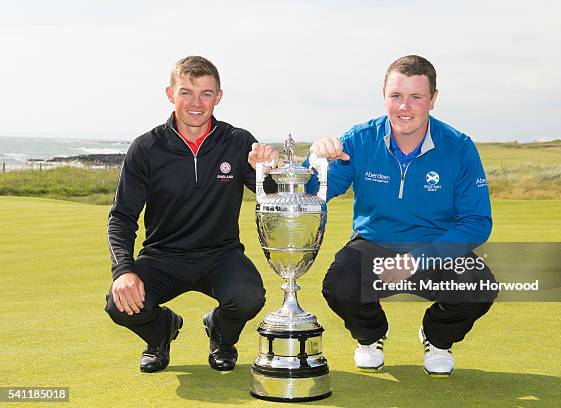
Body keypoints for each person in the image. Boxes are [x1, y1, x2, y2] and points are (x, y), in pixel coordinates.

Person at [307, 55, 495, 377]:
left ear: (432, 100)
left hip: (435, 249)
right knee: (340, 285)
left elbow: (476, 222)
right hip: (374, 244)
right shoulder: (361, 138)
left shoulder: (459, 147)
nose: (404, 107)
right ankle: (371, 336)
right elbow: (318, 192)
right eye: (396, 96)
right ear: (384, 96)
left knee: (480, 286)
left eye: (416, 97)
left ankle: (436, 338)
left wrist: (418, 258)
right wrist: (317, 161)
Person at [105, 56, 279, 373]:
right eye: (186, 92)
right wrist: (124, 271)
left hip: (221, 254)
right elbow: (122, 217)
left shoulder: (237, 141)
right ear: (171, 94)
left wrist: (266, 171)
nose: (196, 103)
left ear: (219, 97)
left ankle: (221, 336)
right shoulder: (146, 148)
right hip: (162, 256)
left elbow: (271, 199)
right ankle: (161, 333)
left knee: (248, 297)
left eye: (206, 94)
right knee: (120, 304)